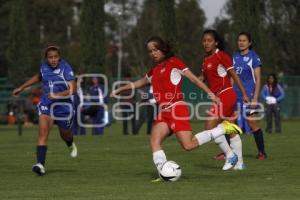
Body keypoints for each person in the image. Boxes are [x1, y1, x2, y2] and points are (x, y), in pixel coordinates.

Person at [110, 36, 242, 178]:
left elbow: (194, 79)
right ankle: (164, 173)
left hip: (177, 110)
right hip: (164, 112)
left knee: (188, 145)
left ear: (162, 49)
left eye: (155, 50)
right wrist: (120, 89)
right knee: (154, 141)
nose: (153, 53)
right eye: (150, 51)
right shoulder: (154, 69)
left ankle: (224, 128)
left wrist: (210, 94)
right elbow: (140, 82)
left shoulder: (174, 62)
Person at [12, 45, 78, 176]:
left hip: (64, 106)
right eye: (50, 57)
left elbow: (74, 90)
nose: (53, 60)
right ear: (46, 58)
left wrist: (57, 95)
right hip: (47, 104)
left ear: (59, 58)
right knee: (43, 133)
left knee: (65, 134)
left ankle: (70, 144)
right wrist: (22, 87)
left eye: (55, 57)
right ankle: (40, 165)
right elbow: (38, 77)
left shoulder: (66, 68)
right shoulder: (44, 67)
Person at [200, 30, 249, 170]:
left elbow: (234, 75)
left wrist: (244, 94)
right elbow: (202, 78)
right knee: (231, 131)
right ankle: (240, 164)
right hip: (218, 97)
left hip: (226, 95)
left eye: (209, 40)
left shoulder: (221, 56)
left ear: (216, 42)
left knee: (209, 126)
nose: (206, 43)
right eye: (204, 40)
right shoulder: (205, 59)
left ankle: (230, 155)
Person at [233, 32, 267, 160]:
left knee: (252, 123)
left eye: (244, 40)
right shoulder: (234, 57)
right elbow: (232, 77)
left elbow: (258, 79)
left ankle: (262, 152)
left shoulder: (254, 57)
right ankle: (228, 152)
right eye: (239, 40)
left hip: (249, 95)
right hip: (235, 95)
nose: (241, 43)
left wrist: (255, 98)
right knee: (229, 122)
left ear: (250, 43)